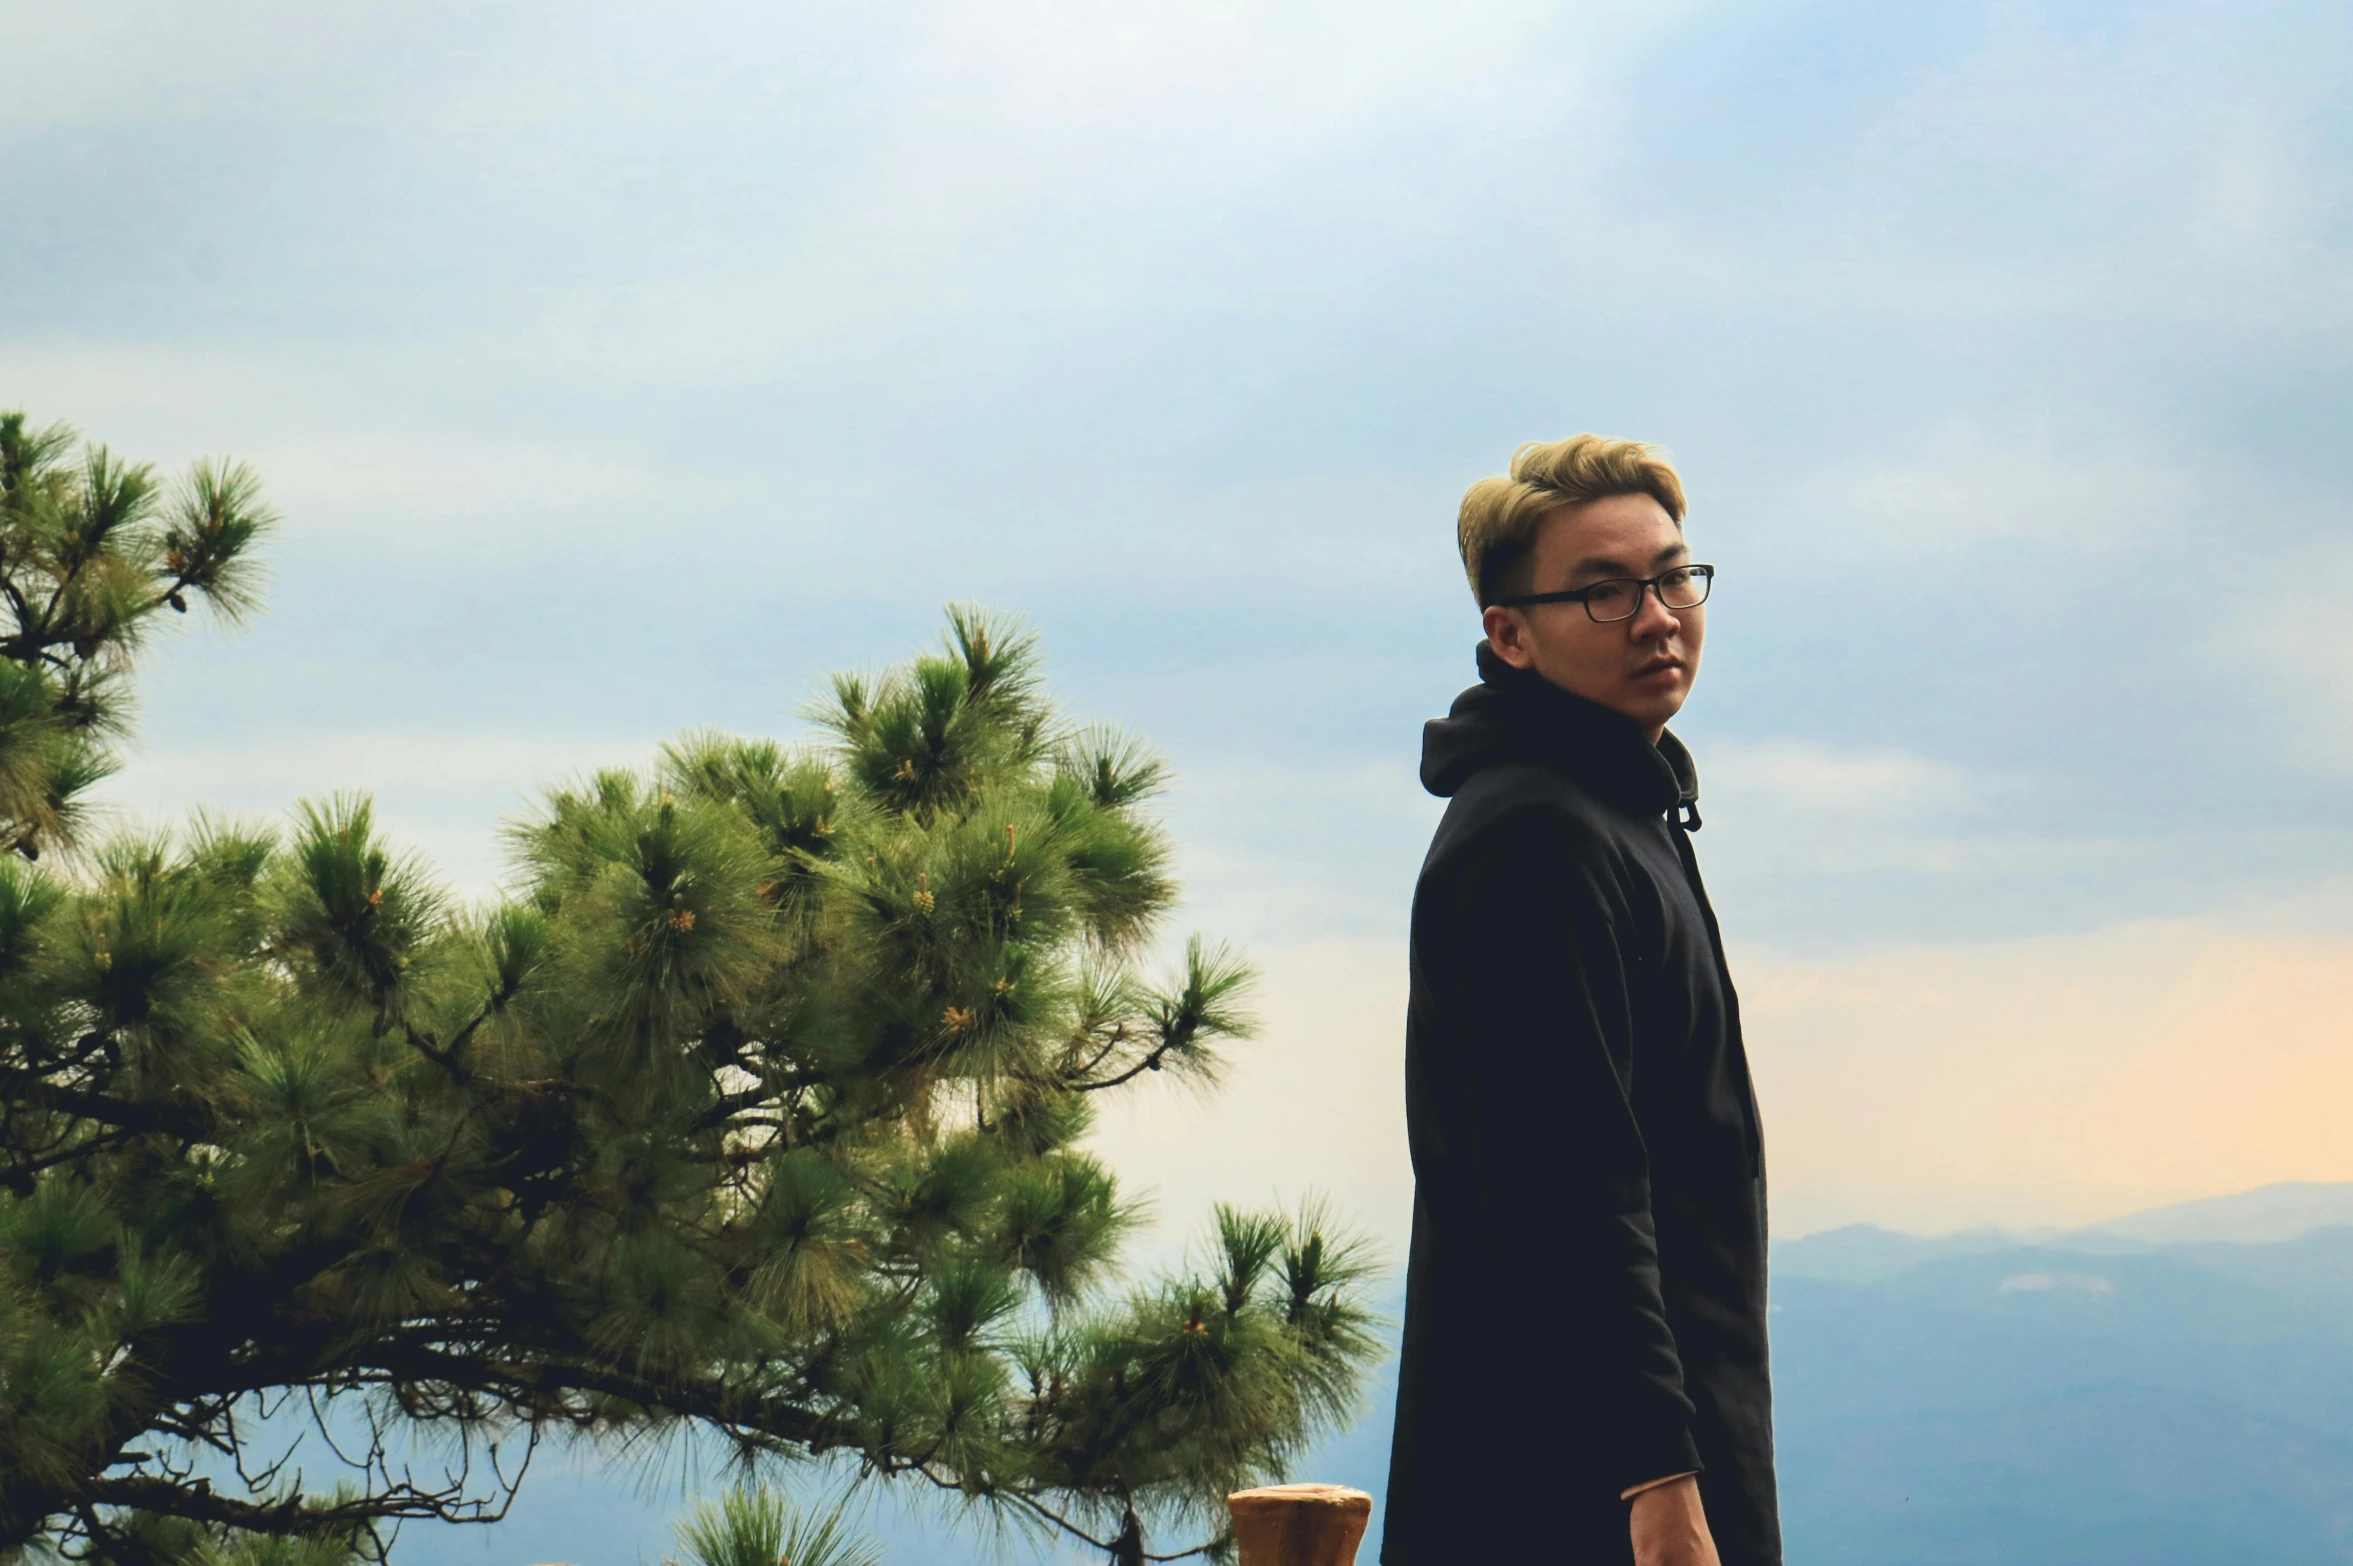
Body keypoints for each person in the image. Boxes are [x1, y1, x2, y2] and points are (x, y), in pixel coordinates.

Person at [1382, 435, 1778, 1566]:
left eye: (1671, 576)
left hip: (1653, 1453)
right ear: (1510, 634)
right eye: (1603, 591)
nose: (1656, 615)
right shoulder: (1534, 841)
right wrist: (1657, 1486)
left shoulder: (1620, 813)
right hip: (1575, 1490)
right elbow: (1569, 1187)